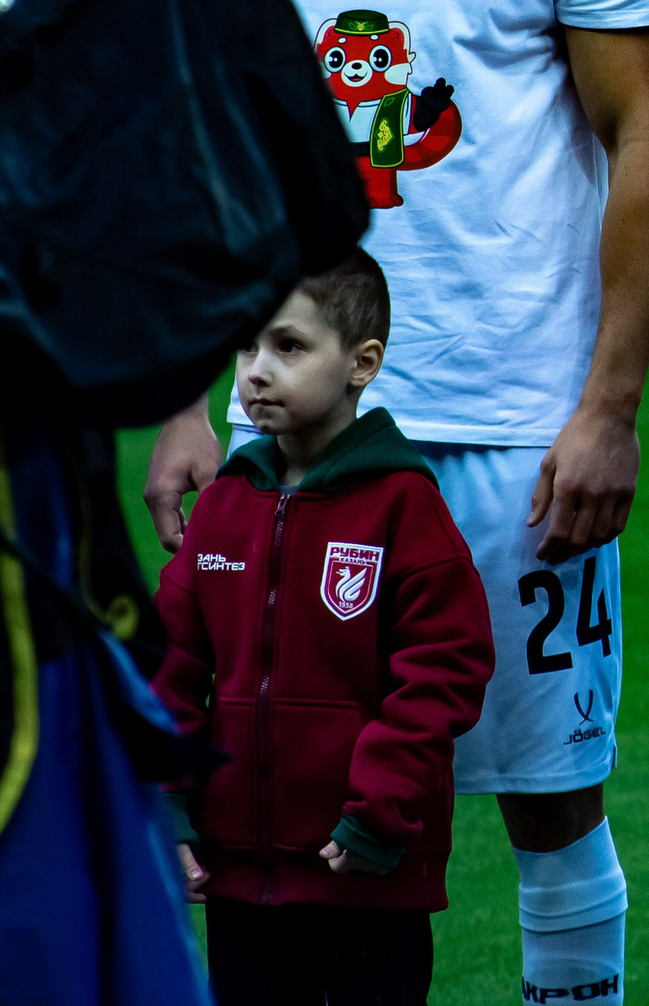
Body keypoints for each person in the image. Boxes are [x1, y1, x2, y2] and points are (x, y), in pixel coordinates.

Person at [154, 0, 649, 1006]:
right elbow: (216, 157)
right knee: (274, 807)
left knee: (548, 797)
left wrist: (610, 408)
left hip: (510, 426)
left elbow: (646, 141)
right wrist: (190, 398)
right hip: (294, 440)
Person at [156, 252, 494, 1006]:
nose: (255, 372)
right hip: (238, 878)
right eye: (245, 347)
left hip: (369, 874)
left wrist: (381, 808)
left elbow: (446, 670)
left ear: (362, 363)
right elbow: (170, 665)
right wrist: (170, 806)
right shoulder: (226, 505)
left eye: (289, 347)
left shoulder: (404, 505)